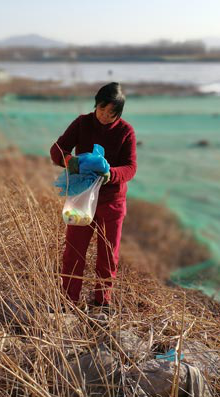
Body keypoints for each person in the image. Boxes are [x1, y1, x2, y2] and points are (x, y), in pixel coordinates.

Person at [50, 82, 137, 309]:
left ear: (119, 114)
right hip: (82, 197)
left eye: (112, 113)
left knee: (108, 256)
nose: (105, 117)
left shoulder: (125, 131)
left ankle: (101, 302)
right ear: (95, 105)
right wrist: (70, 161)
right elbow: (57, 149)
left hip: (111, 202)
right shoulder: (82, 123)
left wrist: (111, 174)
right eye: (101, 110)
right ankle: (68, 301)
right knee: (73, 252)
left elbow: (130, 167)